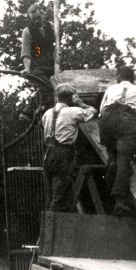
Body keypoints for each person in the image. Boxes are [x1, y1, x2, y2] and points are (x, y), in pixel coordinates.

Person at [99, 67, 136, 216]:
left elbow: (101, 111)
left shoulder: (111, 88)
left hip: (107, 121)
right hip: (127, 122)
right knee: (124, 163)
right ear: (133, 79)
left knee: (113, 160)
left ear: (119, 77)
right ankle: (120, 202)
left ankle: (109, 194)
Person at [42, 84, 98, 212]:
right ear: (71, 97)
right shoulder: (73, 111)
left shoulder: (47, 113)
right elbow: (93, 112)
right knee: (60, 194)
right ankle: (51, 227)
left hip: (48, 153)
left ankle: (50, 223)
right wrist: (81, 103)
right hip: (63, 154)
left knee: (51, 193)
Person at [21, 3, 55, 79]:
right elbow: (26, 53)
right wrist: (27, 68)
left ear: (42, 14)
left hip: (53, 65)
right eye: (34, 19)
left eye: (38, 18)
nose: (36, 21)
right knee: (46, 87)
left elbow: (56, 44)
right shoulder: (27, 31)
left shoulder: (51, 26)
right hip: (38, 68)